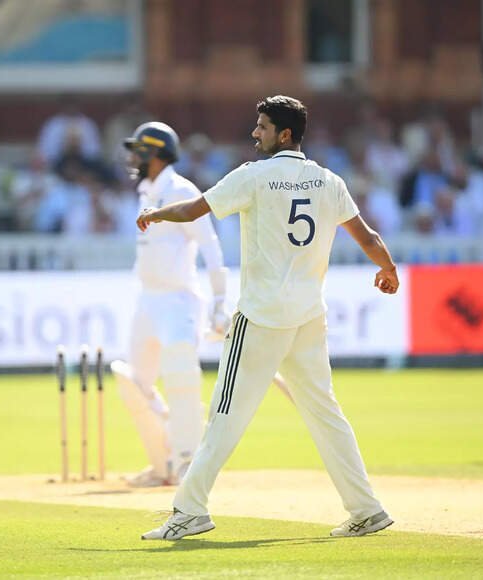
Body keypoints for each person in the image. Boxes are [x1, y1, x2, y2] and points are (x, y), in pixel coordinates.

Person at [136, 96, 398, 540]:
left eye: (262, 127)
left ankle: (189, 510)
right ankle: (366, 509)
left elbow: (193, 209)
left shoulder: (253, 176)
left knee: (224, 414)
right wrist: (388, 269)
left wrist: (154, 213)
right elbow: (368, 236)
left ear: (285, 134)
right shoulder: (328, 180)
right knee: (325, 414)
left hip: (260, 317)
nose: (255, 133)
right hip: (307, 317)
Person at [110, 121, 230, 487]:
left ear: (156, 153)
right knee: (136, 384)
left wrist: (220, 300)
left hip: (179, 300)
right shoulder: (146, 192)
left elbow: (210, 246)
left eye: (139, 151)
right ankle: (162, 464)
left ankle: (187, 463)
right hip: (147, 299)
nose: (133, 158)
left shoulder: (181, 190)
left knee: (181, 379)